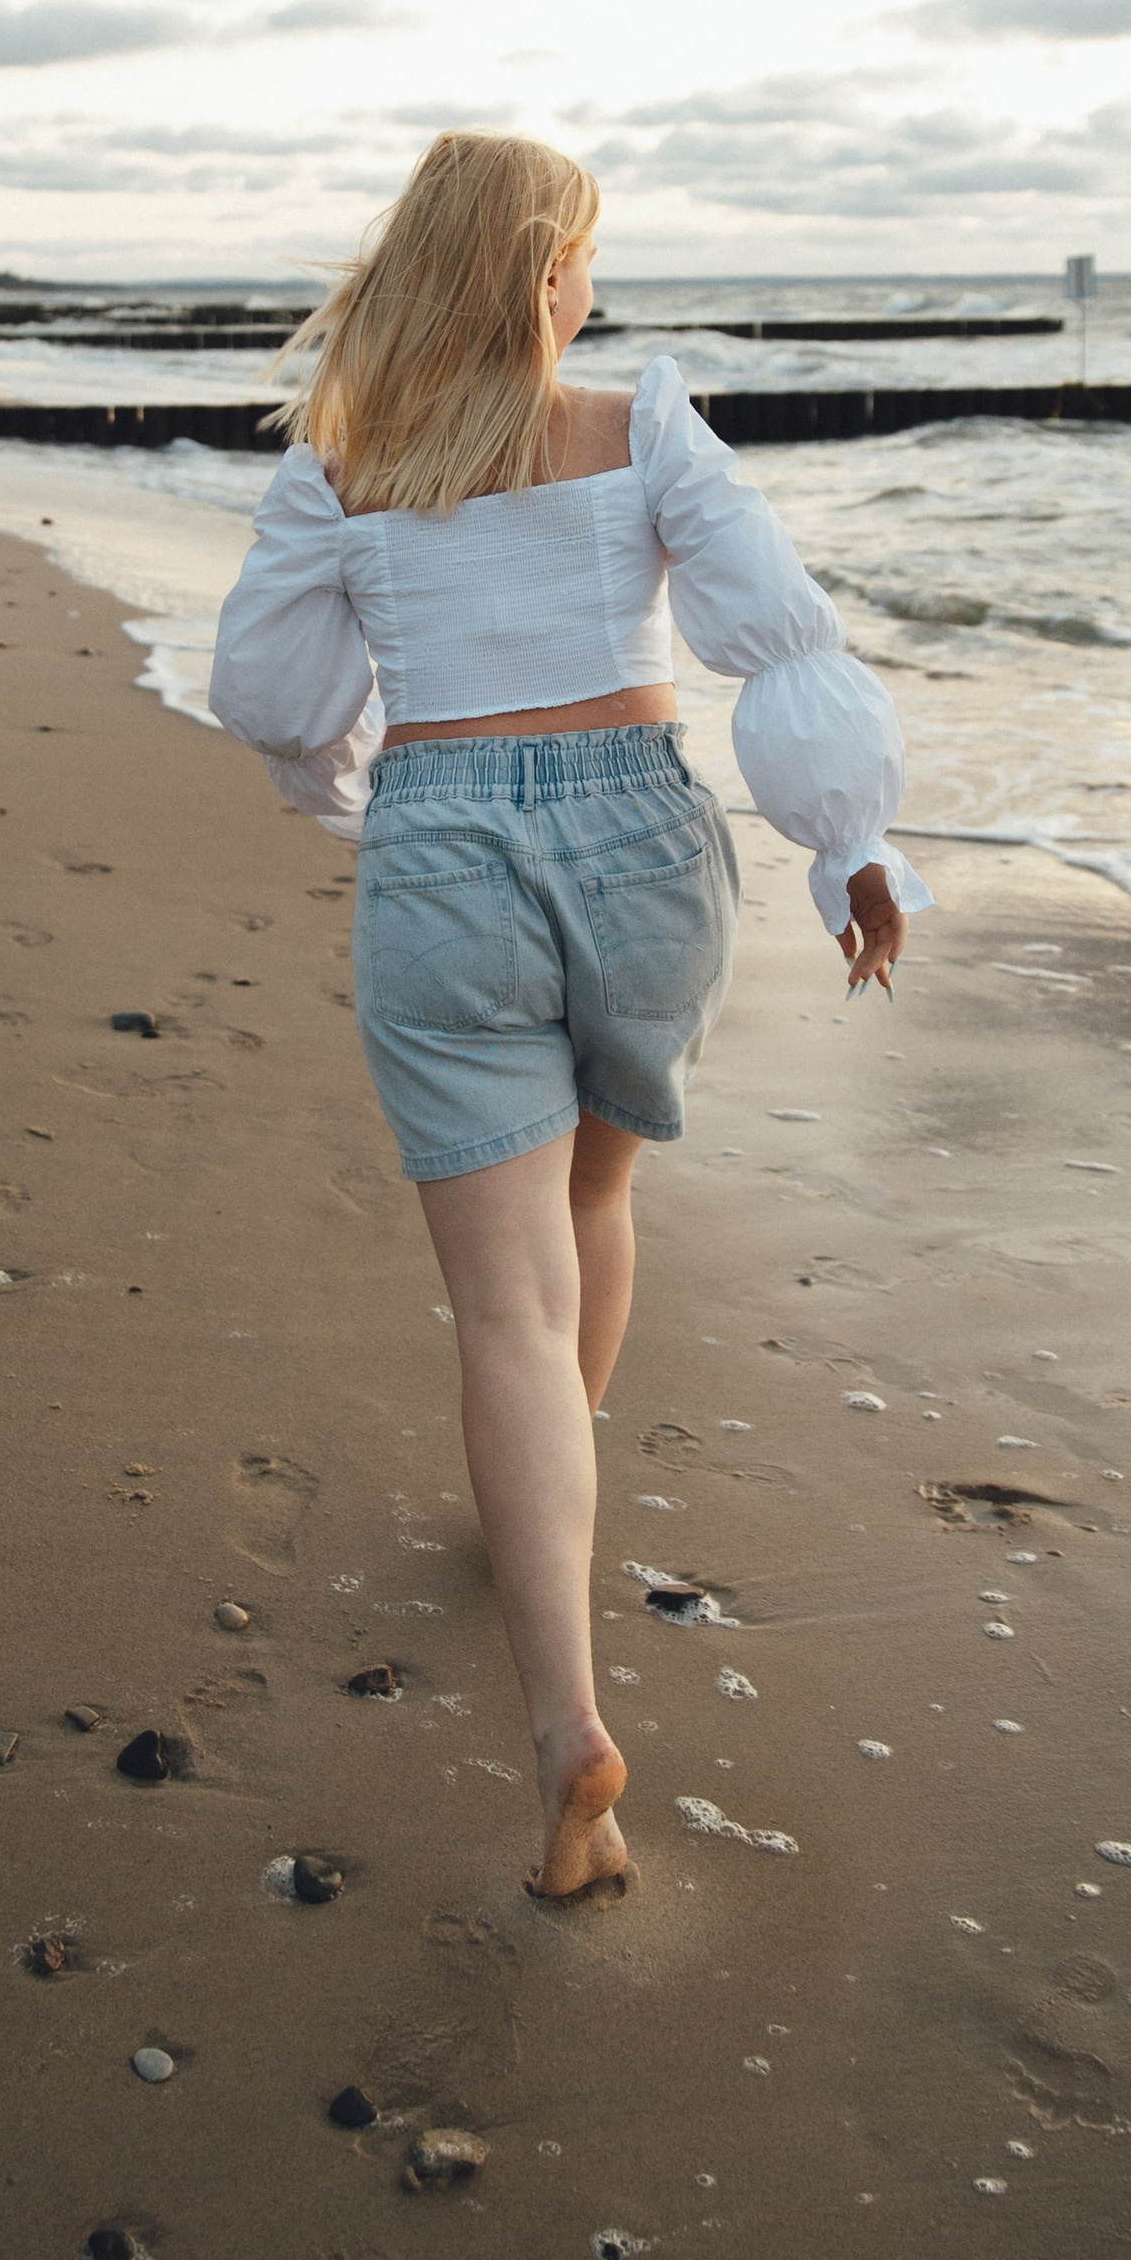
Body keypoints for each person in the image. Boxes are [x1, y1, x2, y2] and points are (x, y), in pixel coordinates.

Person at [208, 133, 925, 1902]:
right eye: (580, 258)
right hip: (645, 850)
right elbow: (778, 638)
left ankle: (564, 1729)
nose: (589, 287)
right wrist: (850, 851)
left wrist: (340, 781)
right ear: (543, 272)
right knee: (601, 1205)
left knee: (503, 1313)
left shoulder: (348, 455)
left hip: (448, 857)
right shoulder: (644, 421)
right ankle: (557, 1499)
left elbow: (277, 694)